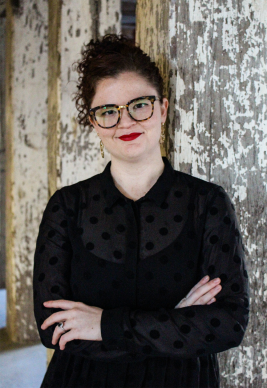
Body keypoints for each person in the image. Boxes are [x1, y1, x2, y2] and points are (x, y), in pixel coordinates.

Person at [33, 34, 249, 388]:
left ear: (162, 109)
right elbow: (53, 328)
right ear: (93, 122)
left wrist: (104, 325)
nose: (125, 122)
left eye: (139, 105)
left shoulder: (207, 202)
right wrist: (174, 323)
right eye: (108, 111)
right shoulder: (66, 206)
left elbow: (228, 322)